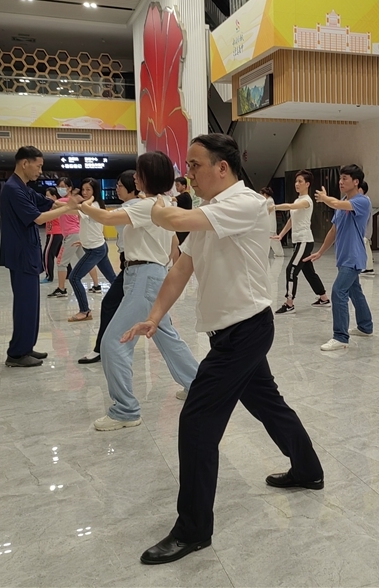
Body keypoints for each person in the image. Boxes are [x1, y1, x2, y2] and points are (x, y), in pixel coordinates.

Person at [124, 134, 323, 565]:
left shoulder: (245, 203)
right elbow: (182, 267)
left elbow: (174, 218)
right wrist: (155, 316)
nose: (189, 174)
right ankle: (308, 470)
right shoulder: (212, 212)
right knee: (269, 404)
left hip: (245, 331)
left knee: (197, 421)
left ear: (223, 167)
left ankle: (193, 529)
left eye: (195, 165)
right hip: (233, 333)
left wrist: (153, 204)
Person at [79, 152, 200, 426]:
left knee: (114, 342)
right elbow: (173, 245)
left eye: (138, 172)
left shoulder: (146, 206)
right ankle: (197, 384)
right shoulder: (162, 203)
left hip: (144, 276)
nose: (134, 177)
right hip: (150, 275)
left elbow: (107, 218)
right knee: (167, 337)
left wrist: (84, 205)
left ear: (149, 176)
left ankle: (125, 410)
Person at [0, 146, 78, 367]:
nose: (40, 171)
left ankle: (26, 347)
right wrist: (67, 209)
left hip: (27, 252)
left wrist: (71, 206)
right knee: (25, 304)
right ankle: (16, 354)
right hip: (21, 255)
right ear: (25, 163)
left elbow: (47, 202)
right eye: (39, 165)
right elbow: (39, 218)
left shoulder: (23, 187)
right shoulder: (13, 189)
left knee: (31, 304)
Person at [304, 165, 373, 351]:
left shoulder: (362, 201)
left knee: (338, 291)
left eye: (345, 179)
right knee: (354, 291)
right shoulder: (342, 201)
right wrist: (320, 252)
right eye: (340, 178)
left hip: (354, 256)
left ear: (356, 182)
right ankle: (365, 326)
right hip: (343, 256)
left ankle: (340, 337)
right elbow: (334, 230)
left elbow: (335, 204)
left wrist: (326, 199)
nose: (340, 182)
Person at [79, 171, 138, 364]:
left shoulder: (131, 208)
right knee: (114, 304)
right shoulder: (133, 206)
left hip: (138, 266)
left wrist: (86, 203)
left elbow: (105, 218)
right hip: (130, 264)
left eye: (120, 185)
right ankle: (104, 348)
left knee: (111, 304)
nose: (116, 188)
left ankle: (101, 348)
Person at [271, 170, 330, 314]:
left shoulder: (307, 201)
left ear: (307, 184)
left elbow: (290, 207)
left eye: (300, 181)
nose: (297, 184)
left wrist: (274, 207)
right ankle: (324, 298)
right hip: (299, 241)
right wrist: (281, 235)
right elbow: (292, 220)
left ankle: (289, 303)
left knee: (291, 269)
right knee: (308, 271)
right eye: (296, 181)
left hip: (304, 240)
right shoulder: (298, 200)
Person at [67, 178, 118, 322]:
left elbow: (71, 209)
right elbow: (90, 227)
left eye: (88, 190)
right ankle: (126, 303)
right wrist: (83, 240)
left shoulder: (92, 206)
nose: (84, 192)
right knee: (113, 279)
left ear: (95, 191)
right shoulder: (91, 205)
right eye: (83, 189)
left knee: (74, 277)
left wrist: (57, 203)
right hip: (98, 246)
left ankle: (85, 311)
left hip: (95, 250)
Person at [47, 178, 97, 298]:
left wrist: (50, 200)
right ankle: (96, 285)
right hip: (78, 234)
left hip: (71, 235)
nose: (60, 189)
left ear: (69, 188)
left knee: (61, 262)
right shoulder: (75, 201)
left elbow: (55, 205)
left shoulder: (63, 201)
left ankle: (61, 289)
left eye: (63, 186)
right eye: (59, 186)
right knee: (86, 260)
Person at [42, 188, 63, 283]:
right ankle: (68, 273)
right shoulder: (51, 206)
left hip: (54, 233)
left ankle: (49, 276)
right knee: (59, 255)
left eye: (48, 195)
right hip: (57, 233)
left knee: (47, 254)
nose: (46, 197)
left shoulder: (56, 206)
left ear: (54, 196)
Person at [261, 187, 284, 257]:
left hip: (269, 224)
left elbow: (266, 211)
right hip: (271, 224)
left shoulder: (268, 201)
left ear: (265, 194)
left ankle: (265, 254)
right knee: (274, 240)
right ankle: (279, 253)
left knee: (268, 240)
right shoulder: (270, 200)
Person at [359, 181, 375, 276]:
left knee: (365, 249)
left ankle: (367, 268)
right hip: (363, 230)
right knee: (365, 249)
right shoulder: (364, 199)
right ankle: (366, 267)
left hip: (364, 230)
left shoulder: (365, 200)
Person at [172, 177, 193, 244]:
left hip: (184, 225)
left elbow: (172, 199)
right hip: (184, 224)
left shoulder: (185, 196)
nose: (176, 187)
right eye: (176, 185)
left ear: (184, 186)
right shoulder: (185, 196)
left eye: (178, 185)